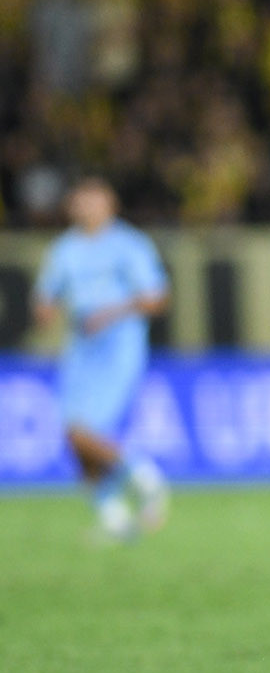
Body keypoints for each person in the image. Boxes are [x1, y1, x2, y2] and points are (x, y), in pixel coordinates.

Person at [32, 176, 171, 542]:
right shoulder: (64, 250)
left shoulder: (129, 245)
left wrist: (111, 312)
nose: (85, 207)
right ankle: (115, 520)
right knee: (72, 437)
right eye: (80, 201)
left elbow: (157, 298)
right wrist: (44, 310)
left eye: (93, 200)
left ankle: (143, 476)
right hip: (79, 349)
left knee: (83, 432)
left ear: (110, 205)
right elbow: (45, 296)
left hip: (119, 348)